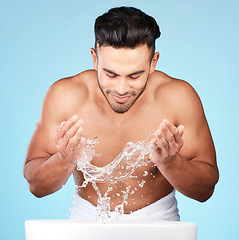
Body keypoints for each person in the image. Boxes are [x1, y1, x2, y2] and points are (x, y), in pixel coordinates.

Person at [23, 6, 219, 221]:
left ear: (153, 62)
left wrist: (171, 163)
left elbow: (205, 192)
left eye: (134, 76)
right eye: (111, 74)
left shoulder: (178, 98)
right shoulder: (66, 96)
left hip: (158, 222)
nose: (122, 88)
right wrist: (64, 160)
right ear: (95, 59)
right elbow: (36, 187)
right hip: (87, 221)